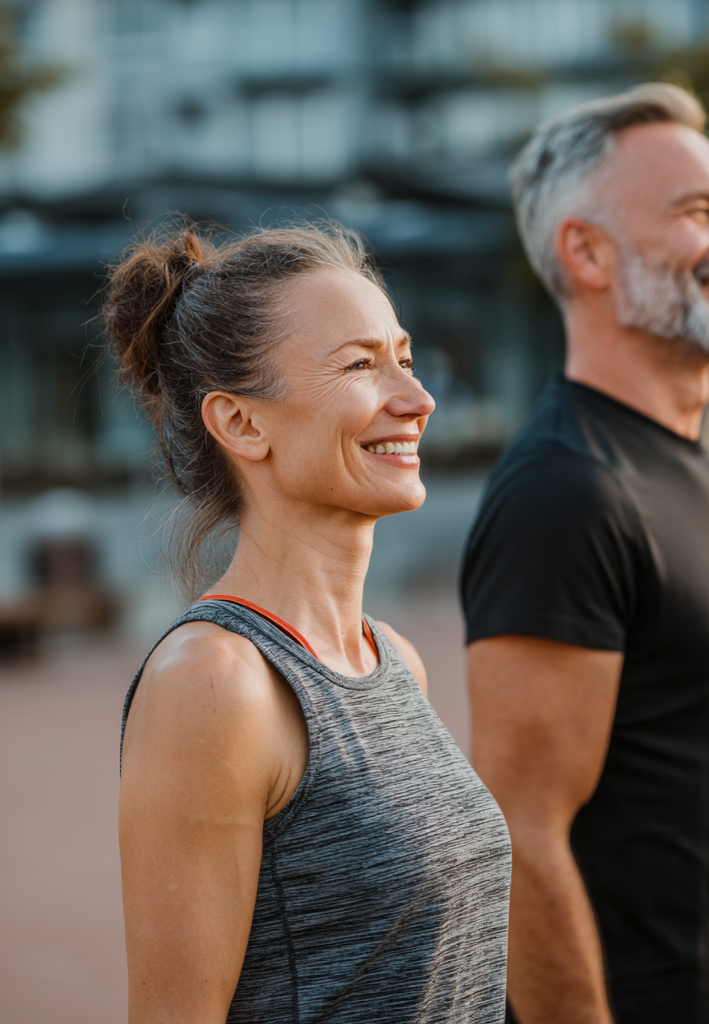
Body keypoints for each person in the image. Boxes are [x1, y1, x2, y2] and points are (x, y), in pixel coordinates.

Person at [461, 83, 709, 1023]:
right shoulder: (566, 490)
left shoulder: (696, 468)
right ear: (585, 252)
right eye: (699, 213)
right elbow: (520, 833)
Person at [111, 223, 512, 1023]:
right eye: (361, 365)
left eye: (404, 355)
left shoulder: (391, 657)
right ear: (242, 424)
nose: (417, 398)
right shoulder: (216, 683)